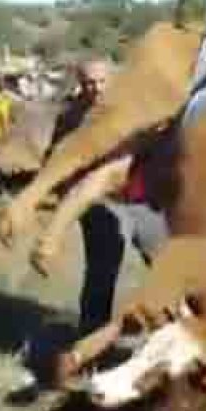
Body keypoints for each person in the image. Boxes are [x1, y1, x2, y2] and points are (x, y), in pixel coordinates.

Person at [46, 58, 169, 339]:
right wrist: (67, 203)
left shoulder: (135, 108)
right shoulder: (72, 118)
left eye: (102, 81)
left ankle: (175, 336)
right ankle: (90, 340)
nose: (96, 88)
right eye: (89, 82)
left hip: (141, 200)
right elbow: (57, 161)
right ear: (81, 84)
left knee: (167, 265)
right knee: (102, 270)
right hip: (100, 203)